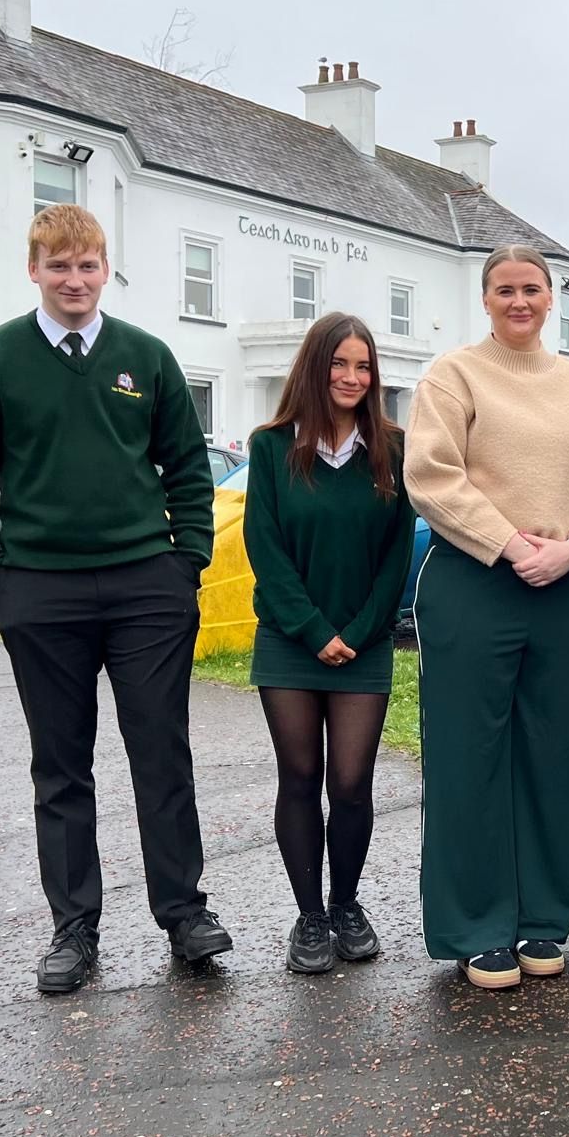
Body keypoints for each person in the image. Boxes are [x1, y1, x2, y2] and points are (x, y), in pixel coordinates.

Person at [0, 204, 231, 994]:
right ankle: (74, 930)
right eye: (59, 266)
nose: (75, 280)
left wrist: (186, 563)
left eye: (88, 265)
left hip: (146, 588)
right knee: (61, 767)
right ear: (34, 269)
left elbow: (187, 467)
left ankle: (185, 915)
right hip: (40, 591)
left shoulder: (147, 357)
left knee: (161, 755)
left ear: (106, 270)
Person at [404, 244, 569, 989]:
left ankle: (542, 918)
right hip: (474, 579)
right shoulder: (454, 376)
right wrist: (510, 544)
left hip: (562, 586)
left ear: (551, 299)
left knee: (551, 752)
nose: (520, 301)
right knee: (469, 756)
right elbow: (432, 475)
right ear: (486, 298)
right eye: (505, 289)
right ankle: (477, 927)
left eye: (532, 289)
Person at [243, 312, 414, 974]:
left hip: (364, 643)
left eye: (363, 366)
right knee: (299, 777)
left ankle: (346, 904)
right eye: (340, 363)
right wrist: (315, 631)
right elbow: (265, 546)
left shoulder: (392, 447)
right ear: (316, 367)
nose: (351, 376)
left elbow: (396, 554)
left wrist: (359, 632)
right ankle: (310, 916)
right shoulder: (271, 446)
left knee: (350, 782)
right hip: (290, 641)